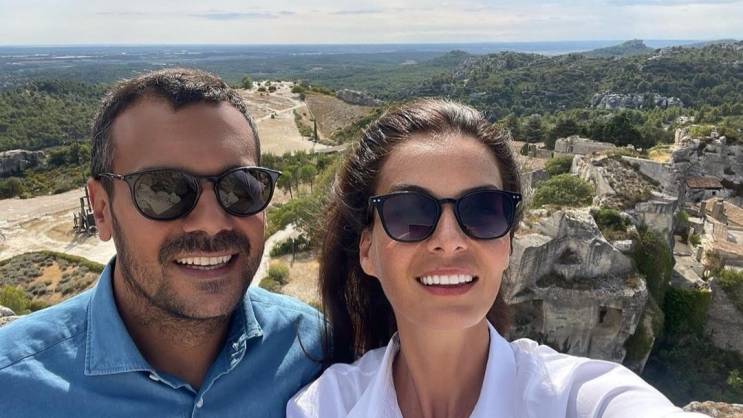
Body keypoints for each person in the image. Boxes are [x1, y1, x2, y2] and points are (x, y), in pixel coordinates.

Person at [287, 99, 707, 418]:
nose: (449, 240)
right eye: (409, 213)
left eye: (483, 211)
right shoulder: (327, 405)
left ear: (507, 243)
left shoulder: (579, 398)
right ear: (367, 251)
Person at [0, 68, 323, 417]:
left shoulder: (314, 352)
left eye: (240, 187)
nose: (211, 222)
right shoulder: (13, 385)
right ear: (102, 209)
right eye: (163, 191)